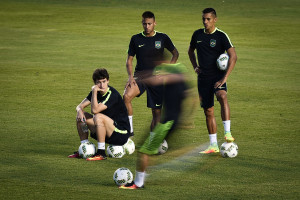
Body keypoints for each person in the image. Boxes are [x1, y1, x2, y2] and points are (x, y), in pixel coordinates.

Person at [120, 60, 189, 189]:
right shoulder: (180, 76)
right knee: (148, 150)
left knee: (144, 151)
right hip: (173, 120)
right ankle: (143, 176)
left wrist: (139, 78)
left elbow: (156, 80)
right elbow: (188, 95)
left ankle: (138, 183)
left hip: (166, 123)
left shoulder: (171, 75)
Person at [188, 8, 237, 154]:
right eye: (203, 19)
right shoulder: (197, 34)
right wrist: (195, 66)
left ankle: (227, 132)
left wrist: (224, 78)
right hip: (203, 78)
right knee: (208, 111)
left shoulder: (221, 36)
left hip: (218, 77)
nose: (205, 22)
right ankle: (213, 145)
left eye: (208, 19)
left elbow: (233, 57)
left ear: (215, 19)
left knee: (222, 96)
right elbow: (190, 51)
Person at [123, 11, 179, 136]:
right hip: (140, 76)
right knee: (126, 97)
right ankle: (129, 130)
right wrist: (130, 77)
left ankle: (153, 139)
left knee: (156, 112)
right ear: (142, 23)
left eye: (149, 24)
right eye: (144, 24)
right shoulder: (135, 39)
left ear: (154, 23)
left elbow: (175, 53)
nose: (147, 26)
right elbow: (129, 60)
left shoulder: (162, 37)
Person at [68, 68, 130, 160]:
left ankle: (101, 153)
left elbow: (94, 110)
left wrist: (94, 92)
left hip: (120, 133)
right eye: (99, 82)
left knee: (98, 116)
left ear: (108, 80)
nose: (102, 85)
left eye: (104, 81)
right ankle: (84, 148)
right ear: (95, 83)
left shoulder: (112, 94)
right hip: (105, 129)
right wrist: (79, 111)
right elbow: (79, 106)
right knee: (82, 116)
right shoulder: (96, 92)